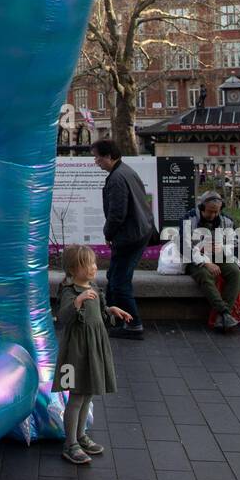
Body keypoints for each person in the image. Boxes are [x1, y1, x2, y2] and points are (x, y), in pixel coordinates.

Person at [52, 245, 131, 465]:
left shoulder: (94, 287)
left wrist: (111, 310)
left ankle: (80, 435)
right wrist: (77, 302)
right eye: (88, 264)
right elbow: (63, 317)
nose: (94, 267)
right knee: (75, 397)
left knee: (87, 394)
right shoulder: (69, 291)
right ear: (73, 268)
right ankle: (70, 444)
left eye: (94, 263)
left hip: (93, 349)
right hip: (74, 353)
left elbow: (100, 313)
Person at [92, 138, 154, 339]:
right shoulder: (126, 171)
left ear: (109, 156)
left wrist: (108, 234)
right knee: (115, 276)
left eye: (98, 157)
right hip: (138, 233)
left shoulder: (117, 178)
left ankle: (133, 324)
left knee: (119, 281)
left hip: (129, 236)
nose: (96, 162)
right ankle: (112, 319)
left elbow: (117, 213)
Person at [179, 190, 240, 331]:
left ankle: (222, 318)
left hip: (220, 256)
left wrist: (223, 249)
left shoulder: (227, 221)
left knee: (234, 272)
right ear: (202, 208)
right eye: (210, 212)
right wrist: (206, 262)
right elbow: (185, 249)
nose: (213, 215)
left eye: (216, 212)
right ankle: (225, 313)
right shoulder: (188, 220)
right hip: (195, 259)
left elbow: (236, 244)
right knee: (204, 275)